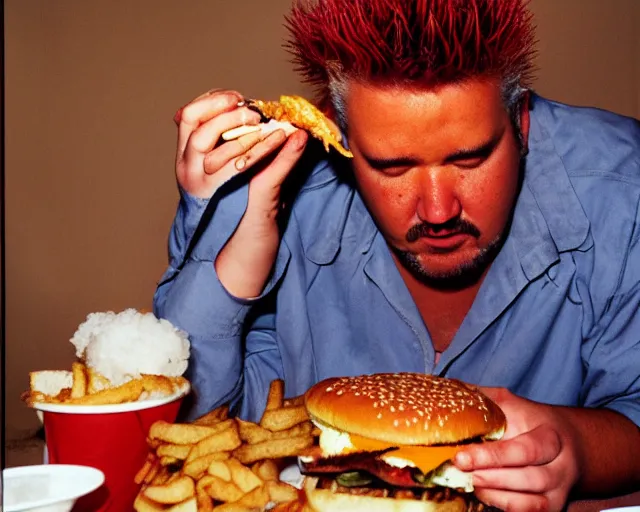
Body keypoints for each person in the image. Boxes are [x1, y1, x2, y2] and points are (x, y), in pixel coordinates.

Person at [154, 0, 640, 509]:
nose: (437, 211)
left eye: (470, 158)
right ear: (338, 135)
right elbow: (203, 430)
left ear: (520, 122)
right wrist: (234, 260)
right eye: (391, 166)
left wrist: (578, 448)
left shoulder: (623, 194)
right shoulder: (282, 202)